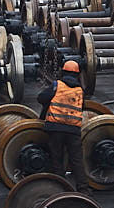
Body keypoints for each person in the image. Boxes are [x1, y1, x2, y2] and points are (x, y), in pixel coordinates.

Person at [37, 58, 87, 190]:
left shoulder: (56, 85)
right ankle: (83, 189)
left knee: (57, 159)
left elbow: (41, 98)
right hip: (73, 130)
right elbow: (82, 107)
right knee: (77, 160)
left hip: (56, 128)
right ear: (77, 74)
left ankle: (60, 187)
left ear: (63, 72)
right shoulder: (80, 91)